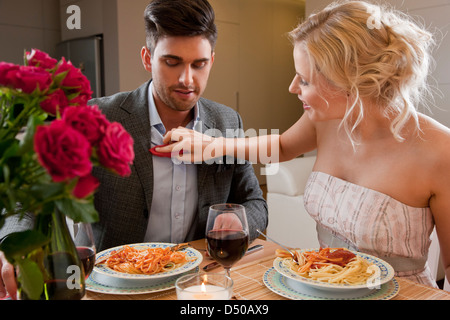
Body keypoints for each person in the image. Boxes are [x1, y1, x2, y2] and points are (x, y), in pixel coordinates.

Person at [161, 0, 450, 287]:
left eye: (305, 80)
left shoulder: (441, 150)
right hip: (319, 289)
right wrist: (215, 145)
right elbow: (282, 147)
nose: (292, 88)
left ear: (351, 80)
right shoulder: (326, 119)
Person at [0, 0, 267, 299]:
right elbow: (31, 194)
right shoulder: (97, 116)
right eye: (172, 61)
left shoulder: (228, 121)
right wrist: (11, 242)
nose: (186, 79)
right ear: (147, 57)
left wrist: (238, 220)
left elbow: (254, 201)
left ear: (212, 61)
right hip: (109, 287)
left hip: (197, 285)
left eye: (199, 64)